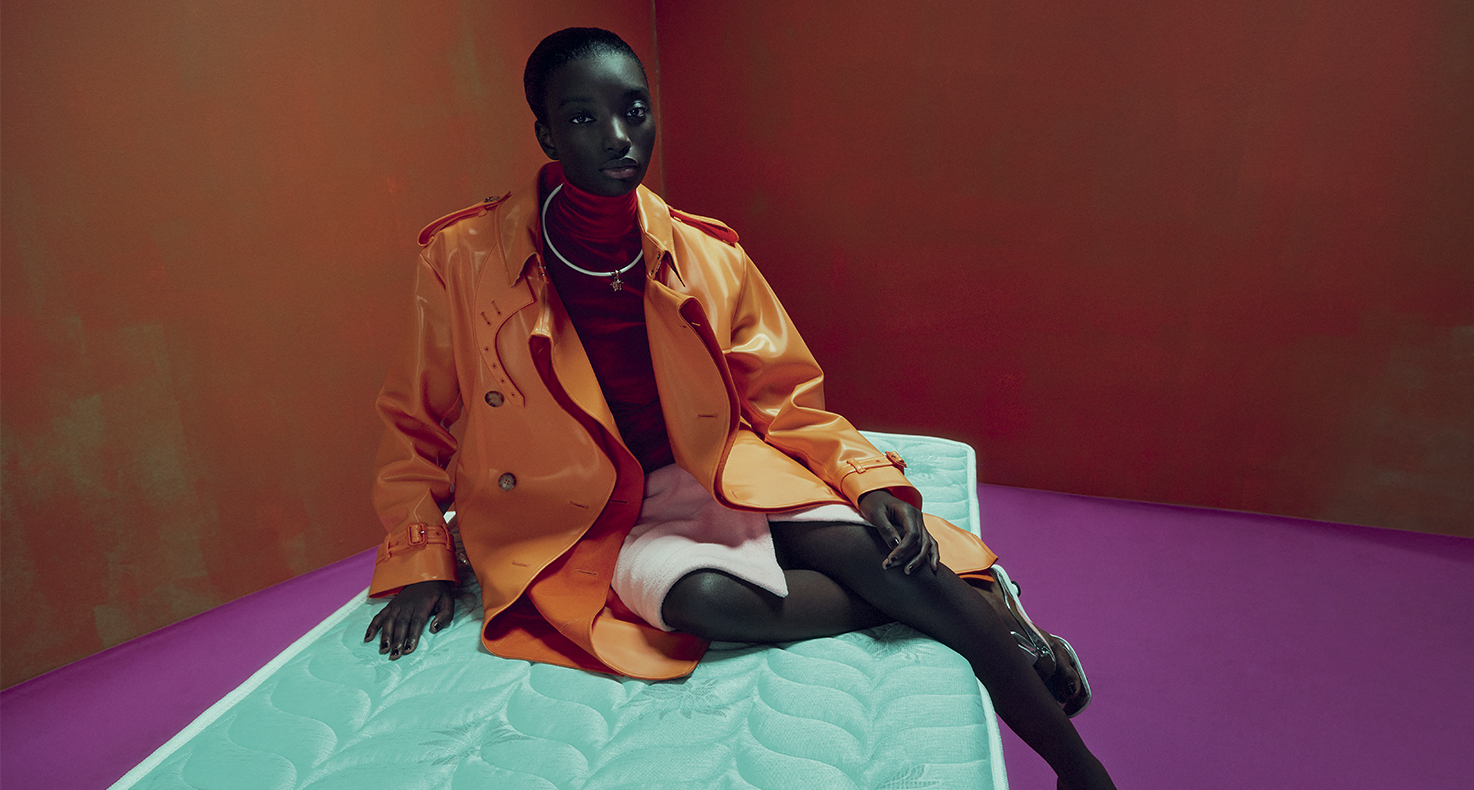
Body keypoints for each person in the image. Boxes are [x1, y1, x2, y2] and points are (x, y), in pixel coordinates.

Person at [362, 27, 1115, 789]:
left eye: (634, 110)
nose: (619, 136)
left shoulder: (710, 255)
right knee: (708, 603)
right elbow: (413, 421)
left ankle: (1080, 769)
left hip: (717, 467)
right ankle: (961, 598)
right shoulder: (460, 259)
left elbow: (786, 400)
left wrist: (869, 482)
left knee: (887, 553)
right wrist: (422, 560)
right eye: (584, 117)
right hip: (584, 510)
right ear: (547, 134)